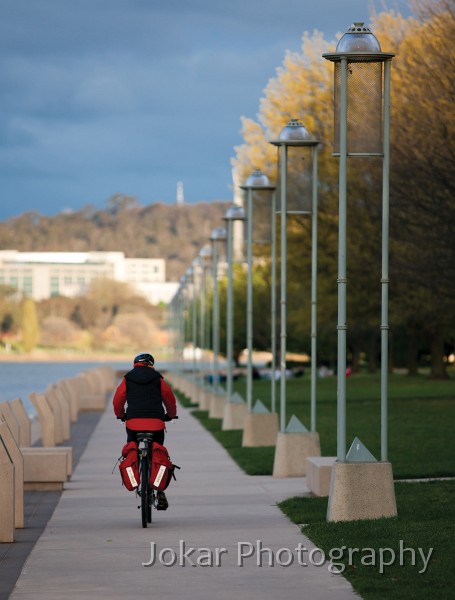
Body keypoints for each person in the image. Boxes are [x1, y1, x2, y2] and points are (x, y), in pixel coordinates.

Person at [113, 352, 177, 510]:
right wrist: (170, 414)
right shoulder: (158, 379)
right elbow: (169, 398)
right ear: (151, 364)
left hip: (133, 423)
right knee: (158, 451)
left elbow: (118, 399)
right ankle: (159, 490)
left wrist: (121, 415)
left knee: (132, 448)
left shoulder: (128, 378)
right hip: (156, 423)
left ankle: (136, 480)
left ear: (135, 363)